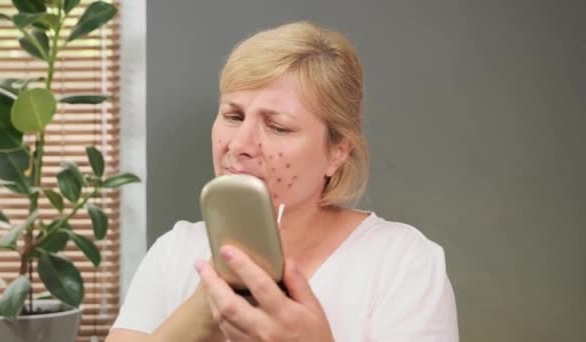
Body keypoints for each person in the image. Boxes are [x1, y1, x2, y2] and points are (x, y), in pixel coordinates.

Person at [106, 21, 459, 342]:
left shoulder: (402, 263)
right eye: (233, 115)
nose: (239, 145)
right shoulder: (175, 251)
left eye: (277, 127)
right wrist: (210, 305)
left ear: (336, 151)